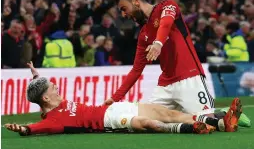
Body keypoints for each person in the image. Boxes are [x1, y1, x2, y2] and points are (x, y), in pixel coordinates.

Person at [103, 0, 249, 127]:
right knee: (148, 122)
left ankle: (224, 114)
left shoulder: (167, 6)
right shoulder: (143, 35)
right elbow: (136, 70)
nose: (124, 15)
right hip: (165, 86)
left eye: (124, 9)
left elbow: (165, 24)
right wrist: (114, 98)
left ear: (136, 1)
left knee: (206, 122)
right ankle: (219, 114)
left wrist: (158, 43)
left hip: (189, 77)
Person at [5, 62, 242, 136]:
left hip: (115, 108)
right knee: (147, 124)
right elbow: (36, 127)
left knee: (167, 112)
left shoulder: (58, 101)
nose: (56, 86)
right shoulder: (54, 119)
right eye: (51, 86)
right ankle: (191, 129)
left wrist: (36, 75)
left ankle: (221, 123)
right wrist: (23, 129)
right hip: (111, 123)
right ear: (47, 97)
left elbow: (41, 92)